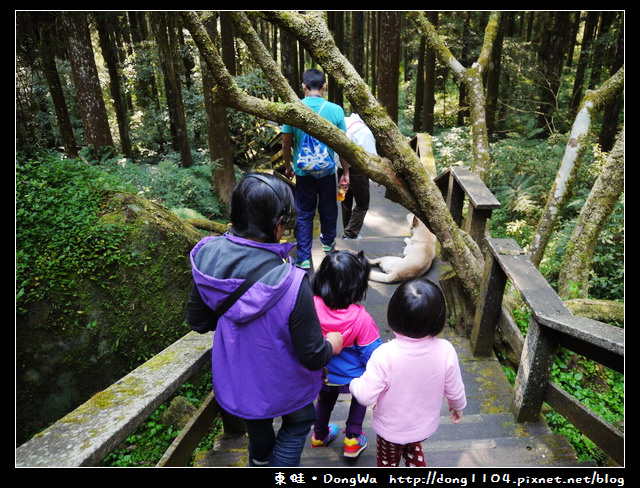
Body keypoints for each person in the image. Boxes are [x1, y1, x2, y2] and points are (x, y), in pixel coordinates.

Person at [186, 172, 343, 467]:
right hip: (286, 381)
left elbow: (198, 321)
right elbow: (312, 355)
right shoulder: (294, 282)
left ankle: (259, 461)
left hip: (239, 380)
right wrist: (333, 343)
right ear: (278, 225)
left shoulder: (207, 256)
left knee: (257, 425)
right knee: (300, 421)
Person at [349, 278, 466, 467]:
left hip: (391, 430)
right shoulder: (445, 350)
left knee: (388, 460)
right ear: (438, 318)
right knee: (413, 447)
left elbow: (365, 396)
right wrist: (458, 406)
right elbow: (455, 388)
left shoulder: (384, 355)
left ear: (394, 315)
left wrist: (354, 382)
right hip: (422, 426)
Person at [310, 250, 382, 459]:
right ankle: (352, 438)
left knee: (324, 401)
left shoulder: (311, 305)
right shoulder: (361, 318)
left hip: (323, 374)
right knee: (361, 398)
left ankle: (319, 434)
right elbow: (373, 355)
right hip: (353, 377)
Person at [282, 68, 347, 269]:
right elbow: (343, 146)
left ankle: (303, 258)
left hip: (303, 172)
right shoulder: (335, 110)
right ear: (325, 87)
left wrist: (288, 166)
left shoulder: (293, 108)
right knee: (328, 210)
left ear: (303, 87)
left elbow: (286, 143)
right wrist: (346, 172)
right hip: (327, 172)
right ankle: (328, 248)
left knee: (304, 213)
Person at [337, 113, 377, 240]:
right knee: (362, 204)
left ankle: (347, 231)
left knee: (345, 201)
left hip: (341, 170)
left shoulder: (343, 121)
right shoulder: (364, 132)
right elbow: (371, 157)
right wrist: (376, 176)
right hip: (357, 172)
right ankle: (350, 233)